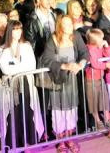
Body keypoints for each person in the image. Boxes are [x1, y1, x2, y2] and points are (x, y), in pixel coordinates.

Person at [38, 14, 89, 153]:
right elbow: (47, 60)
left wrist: (81, 64)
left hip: (72, 80)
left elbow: (84, 52)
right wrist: (65, 66)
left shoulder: (76, 36)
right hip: (58, 79)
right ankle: (60, 140)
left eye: (70, 23)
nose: (69, 27)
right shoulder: (53, 39)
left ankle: (69, 137)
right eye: (65, 24)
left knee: (71, 108)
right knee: (58, 110)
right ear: (60, 25)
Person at [0, 20, 45, 149]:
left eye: (20, 29)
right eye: (15, 29)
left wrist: (16, 68)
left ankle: (28, 143)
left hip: (26, 84)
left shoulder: (27, 46)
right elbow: (5, 69)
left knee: (28, 113)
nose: (18, 32)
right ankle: (14, 144)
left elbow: (31, 65)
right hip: (11, 87)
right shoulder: (2, 49)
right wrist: (19, 68)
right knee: (13, 115)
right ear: (10, 31)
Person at [83, 28, 109, 132]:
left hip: (99, 78)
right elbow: (95, 63)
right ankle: (98, 121)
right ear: (95, 40)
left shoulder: (99, 48)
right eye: (101, 38)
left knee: (104, 99)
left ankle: (107, 119)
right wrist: (106, 65)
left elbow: (108, 56)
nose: (103, 39)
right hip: (91, 79)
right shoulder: (90, 49)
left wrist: (106, 47)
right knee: (93, 102)